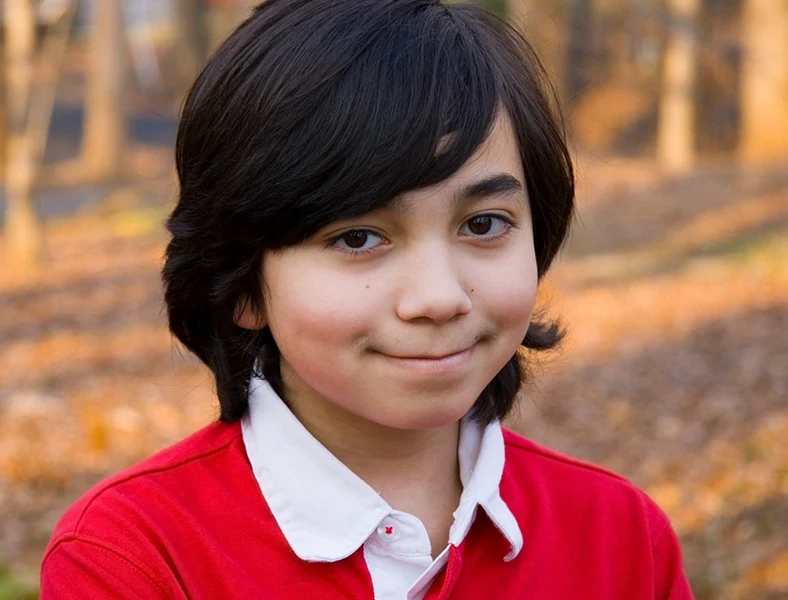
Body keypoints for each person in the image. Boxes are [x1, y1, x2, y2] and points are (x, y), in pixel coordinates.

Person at [40, 0, 693, 598]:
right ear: (242, 286)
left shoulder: (623, 540)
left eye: (484, 224)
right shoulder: (132, 558)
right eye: (357, 237)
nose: (439, 298)